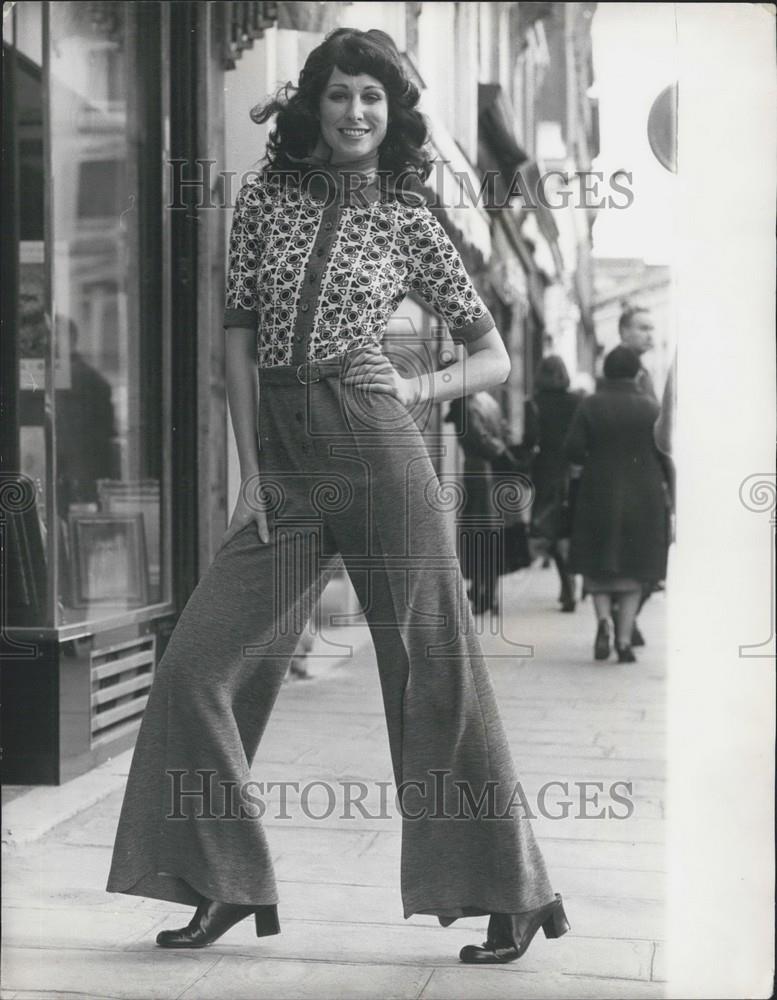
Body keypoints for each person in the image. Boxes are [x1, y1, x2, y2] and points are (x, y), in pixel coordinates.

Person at [106, 28, 568, 965]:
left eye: (375, 99)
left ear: (391, 116)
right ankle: (220, 878)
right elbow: (234, 340)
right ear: (313, 102)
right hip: (285, 456)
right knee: (196, 668)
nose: (357, 113)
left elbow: (492, 356)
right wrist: (251, 473)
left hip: (376, 443)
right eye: (341, 94)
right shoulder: (266, 199)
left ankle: (513, 894)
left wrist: (412, 389)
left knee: (432, 671)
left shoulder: (405, 216)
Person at [564, 345, 671, 663]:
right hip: (644, 498)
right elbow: (667, 453)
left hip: (597, 493)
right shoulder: (652, 407)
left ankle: (603, 624)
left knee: (598, 568)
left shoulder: (590, 404)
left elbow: (572, 450)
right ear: (637, 372)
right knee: (634, 571)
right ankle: (624, 643)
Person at [523, 355, 581, 612]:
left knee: (553, 530)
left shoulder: (533, 404)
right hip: (572, 470)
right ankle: (572, 582)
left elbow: (531, 439)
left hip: (546, 471)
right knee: (570, 528)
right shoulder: (577, 401)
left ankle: (567, 584)